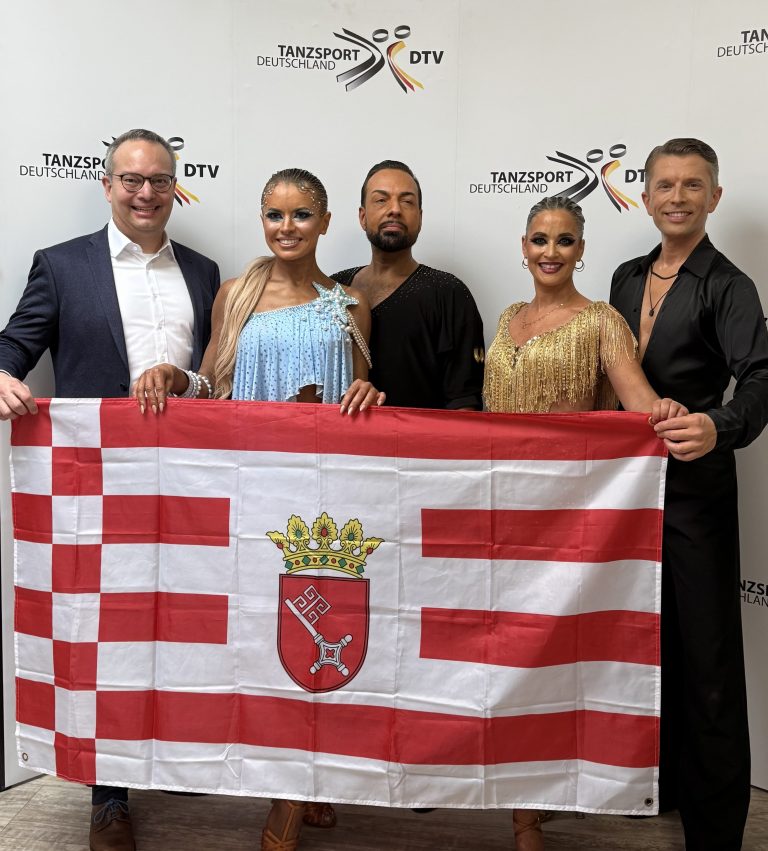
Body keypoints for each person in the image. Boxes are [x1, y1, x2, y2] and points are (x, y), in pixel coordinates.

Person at [133, 167, 382, 851]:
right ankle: (296, 779)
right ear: (262, 220)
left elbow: (363, 393)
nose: (287, 228)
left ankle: (295, 794)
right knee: (271, 637)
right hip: (259, 486)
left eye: (302, 215)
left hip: (329, 494)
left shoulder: (349, 303)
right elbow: (212, 381)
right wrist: (170, 374)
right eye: (275, 215)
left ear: (327, 222)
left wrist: (368, 395)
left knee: (320, 633)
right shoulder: (237, 295)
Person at [0, 128, 220, 850]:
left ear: (175, 187)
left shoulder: (205, 271)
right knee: (105, 637)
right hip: (95, 487)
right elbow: (13, 348)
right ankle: (110, 796)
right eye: (132, 180)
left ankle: (185, 758)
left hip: (190, 482)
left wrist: (184, 379)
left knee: (187, 618)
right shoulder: (63, 266)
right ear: (107, 186)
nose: (147, 193)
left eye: (159, 179)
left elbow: (217, 376)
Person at [483, 195, 686, 851]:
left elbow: (639, 404)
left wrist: (667, 413)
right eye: (539, 238)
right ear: (522, 244)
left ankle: (531, 811)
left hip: (568, 523)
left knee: (550, 669)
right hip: (500, 515)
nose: (550, 251)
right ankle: (514, 800)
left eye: (564, 240)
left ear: (581, 249)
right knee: (501, 662)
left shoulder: (601, 322)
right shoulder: (507, 317)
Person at [611, 138, 768, 851]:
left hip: (696, 492)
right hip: (623, 495)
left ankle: (715, 833)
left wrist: (718, 423)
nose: (677, 196)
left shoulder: (729, 284)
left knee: (707, 661)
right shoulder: (622, 276)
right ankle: (661, 787)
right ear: (644, 196)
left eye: (692, 185)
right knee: (648, 646)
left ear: (715, 197)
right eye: (665, 184)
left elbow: (762, 378)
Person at [333, 160, 484, 411]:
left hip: (417, 447)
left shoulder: (448, 293)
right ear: (362, 216)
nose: (394, 209)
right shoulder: (334, 289)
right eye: (381, 200)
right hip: (340, 446)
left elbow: (464, 404)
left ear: (420, 217)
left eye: (407, 201)